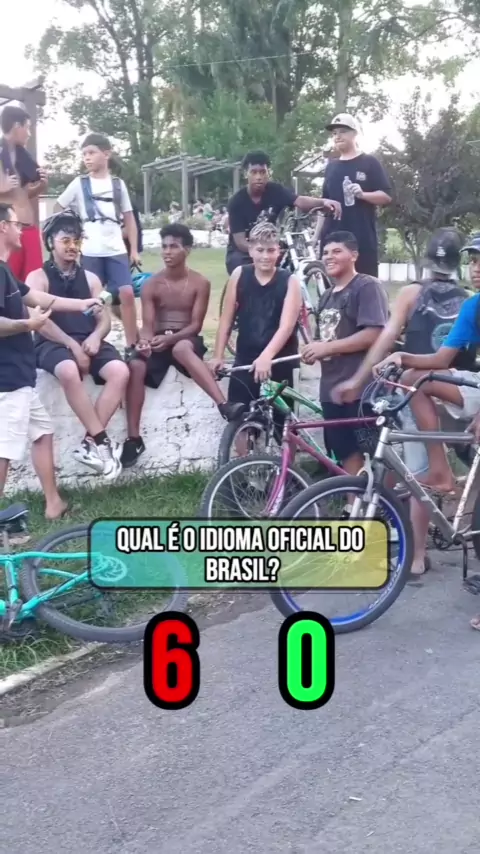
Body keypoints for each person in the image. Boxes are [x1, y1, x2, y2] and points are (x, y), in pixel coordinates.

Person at [332, 227, 475, 580]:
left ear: (426, 260)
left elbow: (385, 338)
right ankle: (442, 533)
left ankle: (416, 555)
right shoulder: (467, 299)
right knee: (433, 470)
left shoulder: (412, 293)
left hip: (421, 393)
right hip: (454, 392)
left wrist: (359, 380)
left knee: (416, 473)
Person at [372, 235, 480, 630]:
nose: (476, 269)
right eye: (473, 262)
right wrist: (401, 356)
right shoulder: (472, 306)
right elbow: (441, 359)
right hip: (475, 385)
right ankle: (440, 470)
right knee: (415, 379)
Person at [0, 204, 101, 518]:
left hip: (21, 376)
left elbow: (40, 299)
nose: (22, 229)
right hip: (7, 379)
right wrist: (26, 325)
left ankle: (53, 504)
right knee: (3, 452)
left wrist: (83, 303)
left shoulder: (5, 271)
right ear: (3, 227)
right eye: (17, 223)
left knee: (42, 433)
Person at [122, 223, 242, 468]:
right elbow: (147, 326)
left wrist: (170, 339)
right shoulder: (152, 284)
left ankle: (223, 405)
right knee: (135, 365)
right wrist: (145, 342)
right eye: (164, 246)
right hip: (158, 340)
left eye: (174, 247)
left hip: (185, 338)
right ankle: (133, 439)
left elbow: (195, 326)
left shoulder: (200, 283)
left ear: (187, 250)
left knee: (181, 348)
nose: (167, 252)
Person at [26, 210, 129, 480]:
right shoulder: (38, 277)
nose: (72, 246)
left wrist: (95, 336)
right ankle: (102, 440)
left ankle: (89, 444)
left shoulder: (91, 279)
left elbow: (104, 320)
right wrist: (71, 345)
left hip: (87, 340)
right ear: (51, 242)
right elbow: (40, 323)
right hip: (52, 342)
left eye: (76, 240)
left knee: (120, 371)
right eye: (65, 240)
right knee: (69, 370)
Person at [301, 231, 389, 474]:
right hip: (332, 391)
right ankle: (355, 498)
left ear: (354, 255)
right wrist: (313, 350)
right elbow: (326, 339)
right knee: (346, 454)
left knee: (380, 455)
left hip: (363, 391)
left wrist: (326, 347)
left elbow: (374, 333)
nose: (329, 257)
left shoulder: (367, 286)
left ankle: (389, 497)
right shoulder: (326, 296)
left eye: (337, 251)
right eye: (325, 252)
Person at [209, 221, 303, 440]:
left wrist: (267, 356)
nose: (265, 256)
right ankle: (244, 462)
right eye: (260, 250)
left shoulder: (290, 281)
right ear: (250, 250)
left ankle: (285, 460)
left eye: (271, 250)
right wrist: (218, 355)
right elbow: (226, 319)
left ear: (278, 251)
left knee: (284, 426)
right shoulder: (239, 275)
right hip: (246, 357)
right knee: (240, 420)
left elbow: (287, 326)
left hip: (281, 359)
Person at [55, 133, 140, 359]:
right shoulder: (79, 183)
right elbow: (58, 207)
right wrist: (72, 231)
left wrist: (134, 249)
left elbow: (129, 218)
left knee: (126, 293)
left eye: (92, 152)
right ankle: (91, 341)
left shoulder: (118, 184)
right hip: (91, 249)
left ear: (106, 154)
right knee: (94, 298)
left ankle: (132, 345)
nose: (87, 158)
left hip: (116, 248)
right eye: (84, 154)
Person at [225, 150, 342, 274]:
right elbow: (240, 242)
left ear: (268, 173)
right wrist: (263, 250)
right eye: (254, 172)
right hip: (243, 252)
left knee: (288, 263)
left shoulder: (275, 190)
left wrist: (323, 202)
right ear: (246, 174)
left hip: (269, 245)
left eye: (262, 172)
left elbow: (299, 201)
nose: (258, 177)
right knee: (242, 270)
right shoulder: (237, 202)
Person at [313, 113, 392, 277]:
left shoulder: (369, 162)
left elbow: (385, 196)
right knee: (333, 288)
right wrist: (316, 237)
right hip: (332, 241)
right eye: (334, 133)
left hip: (361, 241)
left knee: (364, 285)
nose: (337, 136)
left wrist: (363, 195)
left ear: (355, 134)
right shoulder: (331, 167)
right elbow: (324, 205)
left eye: (343, 131)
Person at [0, 105, 46, 281]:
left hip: (29, 228)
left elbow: (23, 195)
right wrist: (2, 188)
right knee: (9, 283)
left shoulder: (23, 157)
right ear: (16, 126)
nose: (29, 133)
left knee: (34, 280)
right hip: (8, 231)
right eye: (27, 128)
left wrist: (41, 186)